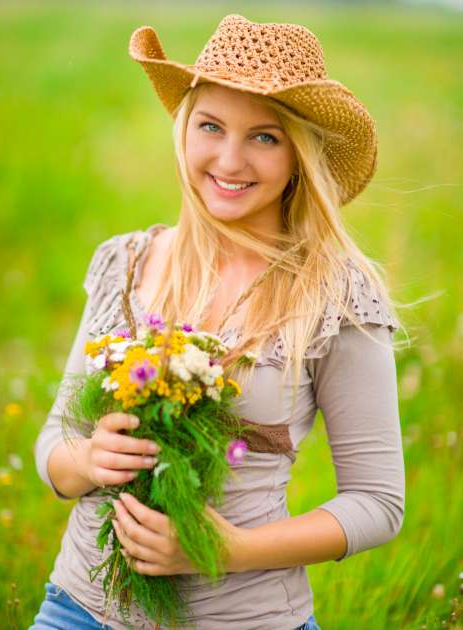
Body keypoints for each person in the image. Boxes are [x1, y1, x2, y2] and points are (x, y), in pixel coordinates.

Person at [30, 14, 407, 630]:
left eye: (264, 137)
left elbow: (378, 504)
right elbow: (55, 441)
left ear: (299, 155)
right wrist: (89, 459)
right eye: (211, 126)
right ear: (185, 130)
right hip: (77, 606)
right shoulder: (125, 262)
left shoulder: (335, 294)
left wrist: (226, 551)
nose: (230, 160)